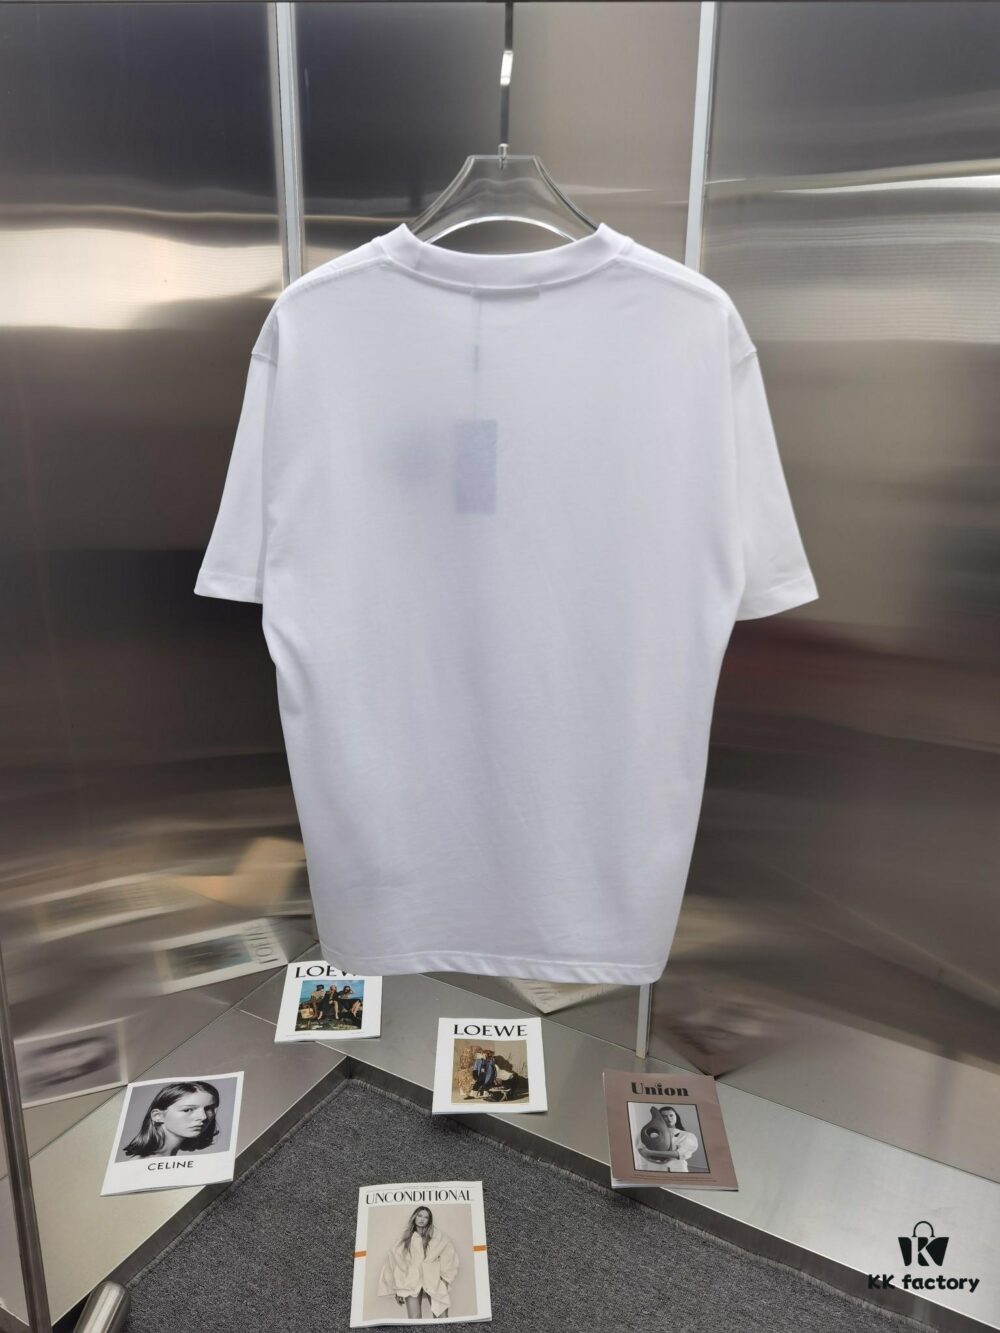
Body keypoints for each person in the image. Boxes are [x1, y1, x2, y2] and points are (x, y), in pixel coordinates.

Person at [377, 1205, 459, 1319]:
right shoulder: (405, 1238)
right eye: (419, 1216)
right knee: (414, 1319)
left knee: (442, 1318)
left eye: (426, 1217)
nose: (422, 1219)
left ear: (429, 1220)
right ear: (414, 1217)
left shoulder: (438, 1237)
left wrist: (445, 1280)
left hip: (433, 1280)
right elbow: (395, 1262)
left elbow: (449, 1257)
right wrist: (398, 1289)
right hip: (411, 1282)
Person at [122, 1081, 221, 1158]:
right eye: (187, 1110)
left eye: (209, 1109)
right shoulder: (150, 1161)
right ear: (158, 1116)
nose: (203, 1117)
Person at [634, 1104, 699, 1171]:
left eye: (671, 1115)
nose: (669, 1119)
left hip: (677, 1169)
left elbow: (680, 1153)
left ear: (676, 1116)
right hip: (655, 1168)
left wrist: (650, 1153)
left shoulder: (687, 1136)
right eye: (664, 1116)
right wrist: (654, 1160)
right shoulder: (648, 1132)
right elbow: (641, 1149)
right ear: (659, 1119)